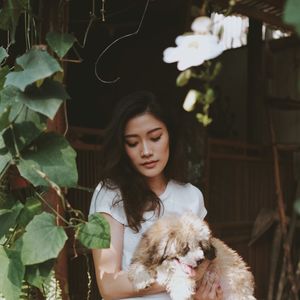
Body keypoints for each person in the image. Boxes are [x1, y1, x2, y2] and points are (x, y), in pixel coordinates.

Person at [89, 91, 223, 300]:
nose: (146, 151)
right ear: (123, 148)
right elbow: (109, 285)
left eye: (155, 138)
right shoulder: (109, 194)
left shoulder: (191, 196)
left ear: (170, 135)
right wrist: (181, 278)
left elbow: (205, 265)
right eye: (133, 142)